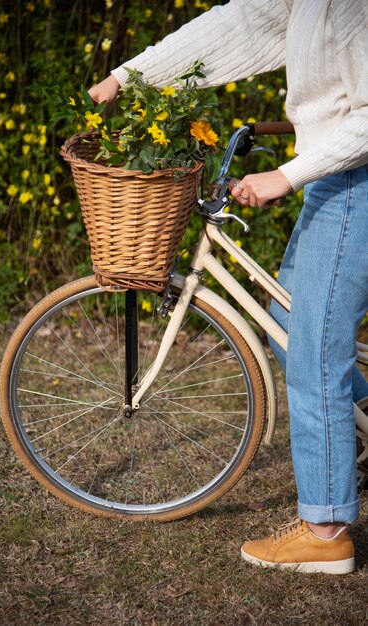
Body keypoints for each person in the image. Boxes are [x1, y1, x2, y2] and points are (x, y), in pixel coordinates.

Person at [89, 0, 368, 574]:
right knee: (290, 322)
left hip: (355, 184)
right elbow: (238, 22)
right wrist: (125, 76)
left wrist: (283, 176)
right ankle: (360, 440)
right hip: (335, 180)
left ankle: (326, 530)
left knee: (314, 348)